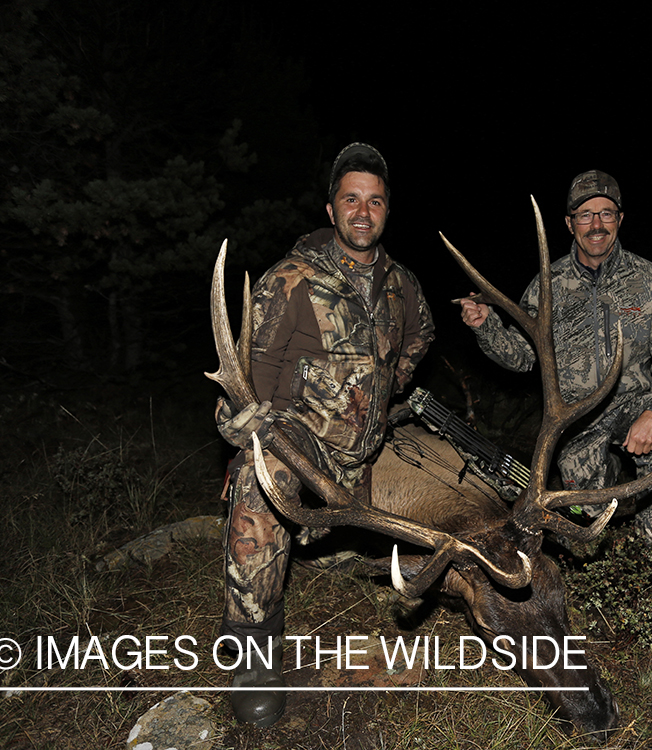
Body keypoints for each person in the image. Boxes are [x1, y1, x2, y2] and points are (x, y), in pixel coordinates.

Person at [215, 143, 434, 727]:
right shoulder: (290, 280)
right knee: (263, 474)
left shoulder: (401, 283)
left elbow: (421, 336)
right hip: (303, 445)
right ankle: (255, 646)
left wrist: (389, 387)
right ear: (331, 209)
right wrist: (245, 436)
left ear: (387, 210)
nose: (363, 212)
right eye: (351, 199)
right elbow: (248, 382)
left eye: (375, 201)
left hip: (367, 457)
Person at [459, 169, 652, 543]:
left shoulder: (650, 280)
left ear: (619, 219)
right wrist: (487, 326)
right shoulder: (548, 285)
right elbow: (521, 356)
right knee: (587, 527)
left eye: (606, 213)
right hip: (575, 420)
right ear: (570, 224)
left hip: (635, 407)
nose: (596, 225)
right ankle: (605, 500)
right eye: (585, 215)